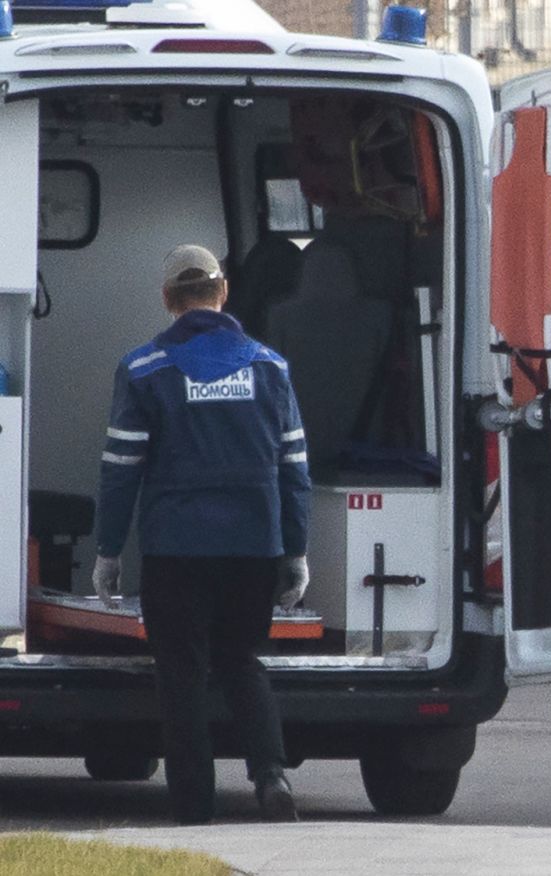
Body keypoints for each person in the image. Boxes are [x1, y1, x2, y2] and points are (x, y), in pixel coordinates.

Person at [92, 244, 311, 825]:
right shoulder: (270, 367)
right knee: (241, 660)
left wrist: (108, 550)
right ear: (224, 292)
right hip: (253, 548)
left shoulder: (144, 370)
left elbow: (121, 468)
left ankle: (194, 807)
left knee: (182, 675)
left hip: (177, 550)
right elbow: (294, 467)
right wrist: (295, 549)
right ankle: (271, 775)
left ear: (168, 299)